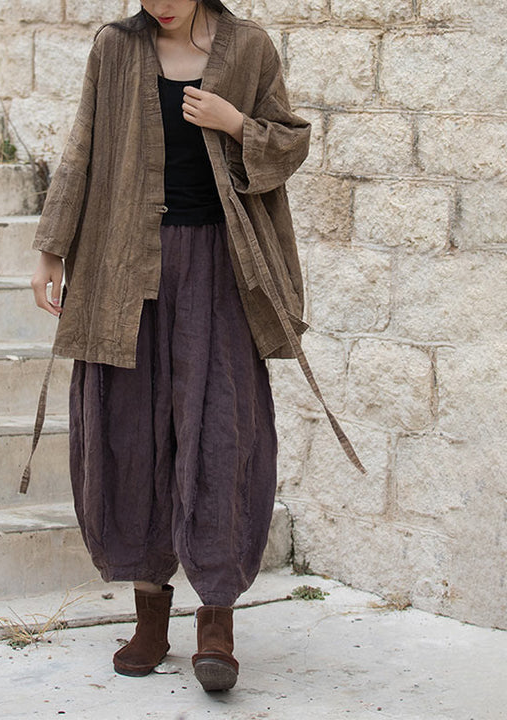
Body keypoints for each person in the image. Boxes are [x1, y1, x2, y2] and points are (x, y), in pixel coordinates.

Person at [24, 0, 365, 693]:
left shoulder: (249, 48)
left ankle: (217, 620)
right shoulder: (115, 48)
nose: (162, 2)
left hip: (220, 269)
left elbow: (290, 141)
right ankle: (151, 614)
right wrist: (51, 247)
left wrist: (234, 123)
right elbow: (81, 148)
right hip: (126, 268)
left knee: (221, 434)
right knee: (130, 434)